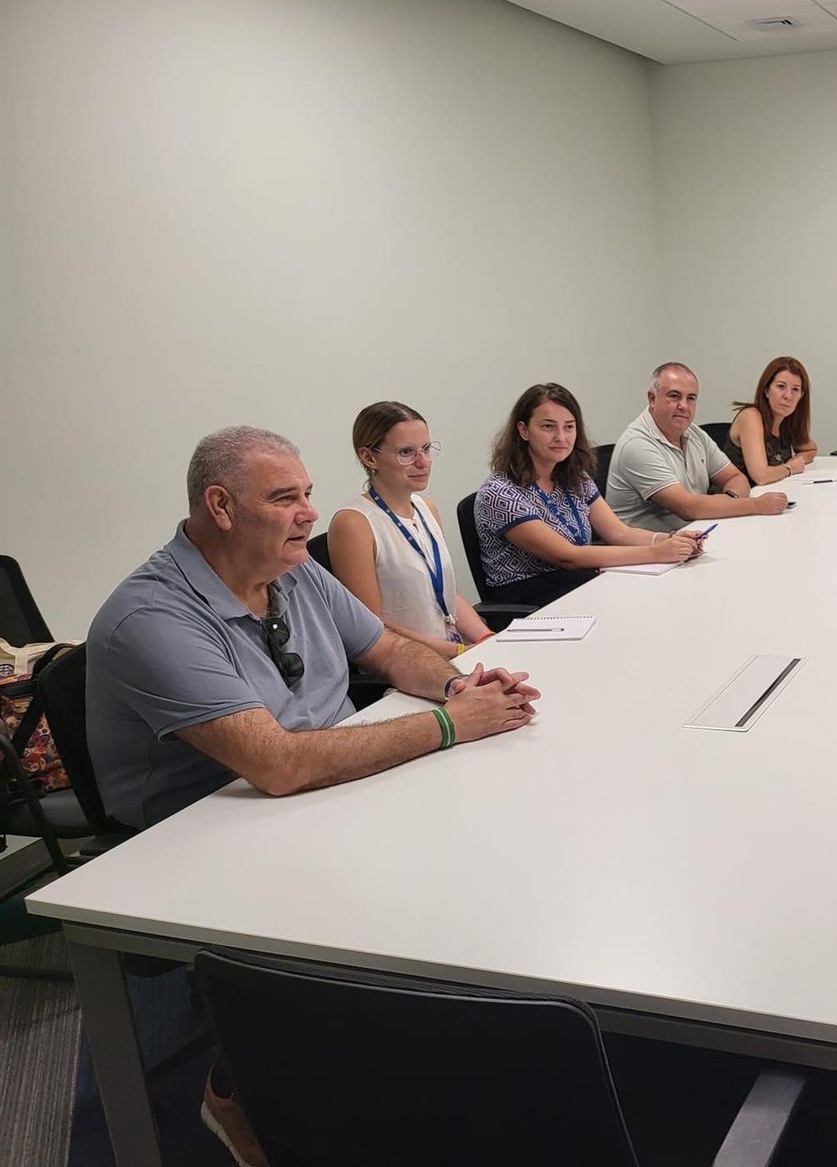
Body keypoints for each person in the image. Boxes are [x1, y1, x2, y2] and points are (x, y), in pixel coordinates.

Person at [86, 426, 539, 1166]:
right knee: (410, 892)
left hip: (308, 795)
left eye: (308, 496)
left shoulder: (291, 569)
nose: (307, 515)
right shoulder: (153, 618)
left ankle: (421, 1051)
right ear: (221, 507)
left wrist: (458, 683)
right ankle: (237, 1090)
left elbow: (388, 651)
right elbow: (278, 765)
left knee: (481, 845)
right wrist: (453, 724)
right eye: (286, 498)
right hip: (201, 835)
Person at [474, 383, 702, 604]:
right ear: (524, 430)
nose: (561, 437)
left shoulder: (574, 478)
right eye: (548, 426)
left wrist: (670, 539)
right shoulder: (500, 492)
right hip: (531, 597)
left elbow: (619, 533)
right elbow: (568, 556)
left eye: (569, 427)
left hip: (579, 580)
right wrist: (656, 553)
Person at [328, 402, 493, 660]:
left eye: (426, 449)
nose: (423, 462)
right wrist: (459, 651)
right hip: (408, 664)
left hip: (456, 652)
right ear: (369, 457)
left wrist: (487, 639)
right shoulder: (354, 523)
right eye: (406, 452)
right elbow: (375, 626)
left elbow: (450, 597)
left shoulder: (426, 507)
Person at [607, 362, 789, 532]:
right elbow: (687, 508)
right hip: (649, 553)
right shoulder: (637, 445)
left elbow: (735, 477)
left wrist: (730, 501)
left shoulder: (694, 433)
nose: (684, 406)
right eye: (674, 396)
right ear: (652, 398)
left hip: (694, 535)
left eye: (691, 398)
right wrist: (755, 505)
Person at [725, 356, 819, 485]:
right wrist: (790, 468)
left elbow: (810, 450)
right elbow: (761, 476)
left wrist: (796, 461)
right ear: (766, 390)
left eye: (795, 389)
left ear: (801, 396)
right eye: (781, 386)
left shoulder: (786, 421)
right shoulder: (751, 416)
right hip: (735, 499)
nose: (788, 396)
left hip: (770, 495)